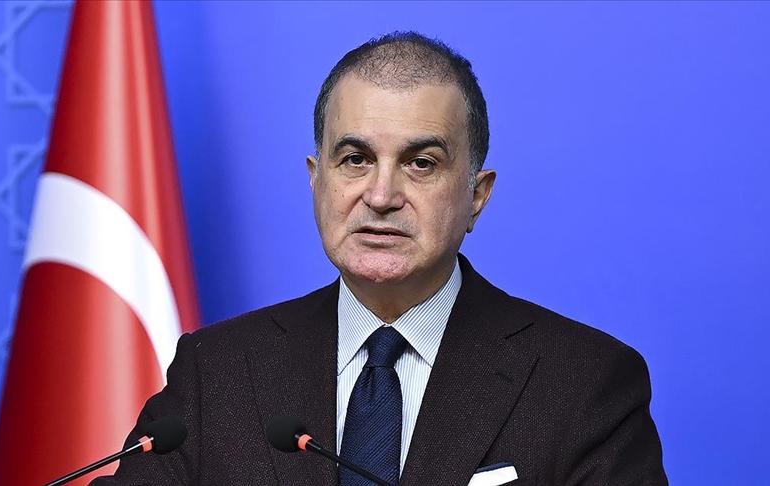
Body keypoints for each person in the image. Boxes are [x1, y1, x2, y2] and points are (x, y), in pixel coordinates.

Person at [94, 31, 667, 485]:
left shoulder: (585, 382)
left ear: (477, 195)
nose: (382, 195)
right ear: (316, 180)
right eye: (355, 159)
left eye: (421, 163)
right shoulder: (215, 370)